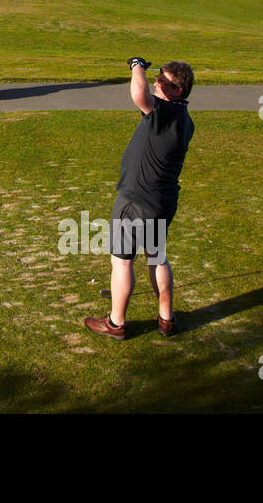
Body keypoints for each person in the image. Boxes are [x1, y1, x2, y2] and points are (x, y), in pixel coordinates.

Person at [84, 58, 194, 340]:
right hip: (161, 201)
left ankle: (116, 322)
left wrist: (137, 66)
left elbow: (138, 95)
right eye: (157, 77)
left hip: (136, 200)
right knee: (156, 257)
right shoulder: (185, 119)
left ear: (178, 91)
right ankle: (166, 319)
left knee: (121, 260)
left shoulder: (164, 113)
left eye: (164, 81)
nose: (157, 82)